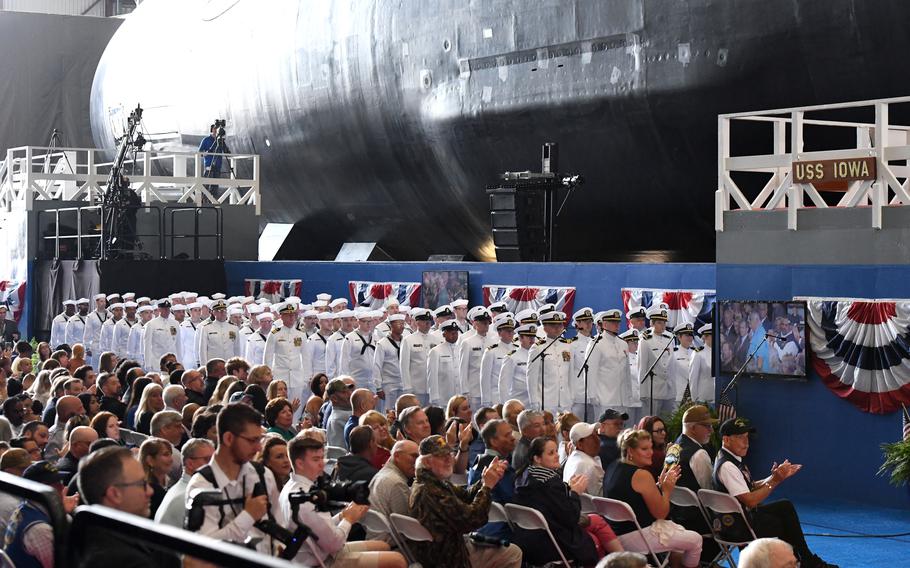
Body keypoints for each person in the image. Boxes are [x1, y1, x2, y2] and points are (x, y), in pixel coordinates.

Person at [713, 418, 836, 568]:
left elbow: (748, 486)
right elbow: (751, 500)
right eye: (740, 437)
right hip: (739, 528)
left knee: (784, 507)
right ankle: (804, 562)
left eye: (747, 437)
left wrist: (773, 477)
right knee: (785, 522)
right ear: (726, 439)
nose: (746, 442)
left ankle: (801, 561)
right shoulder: (728, 466)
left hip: (736, 520)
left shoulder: (727, 458)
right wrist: (776, 481)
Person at [279, 435, 407, 567]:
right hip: (321, 561)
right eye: (315, 459)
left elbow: (320, 527)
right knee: (398, 560)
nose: (322, 464)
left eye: (322, 458)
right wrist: (349, 519)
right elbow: (334, 544)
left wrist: (342, 515)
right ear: (299, 463)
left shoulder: (291, 486)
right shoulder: (306, 498)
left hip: (321, 551)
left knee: (383, 545)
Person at [184, 403, 286, 556]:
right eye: (252, 440)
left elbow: (279, 524)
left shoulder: (263, 474)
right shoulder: (202, 485)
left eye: (259, 440)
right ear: (229, 438)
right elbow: (204, 549)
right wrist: (248, 516)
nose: (259, 448)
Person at [409, 435, 523, 568]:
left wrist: (485, 479)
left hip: (449, 548)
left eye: (449, 454)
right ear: (427, 462)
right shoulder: (430, 492)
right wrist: (487, 486)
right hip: (449, 558)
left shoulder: (430, 482)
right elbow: (473, 519)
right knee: (513, 553)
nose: (448, 460)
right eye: (441, 456)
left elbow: (466, 496)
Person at [513, 436, 622, 565]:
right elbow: (570, 518)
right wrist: (575, 492)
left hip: (529, 539)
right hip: (552, 541)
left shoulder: (524, 476)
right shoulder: (549, 482)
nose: (557, 456)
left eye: (556, 451)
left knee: (597, 520)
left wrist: (568, 487)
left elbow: (549, 503)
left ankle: (623, 562)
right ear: (537, 458)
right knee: (595, 538)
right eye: (551, 453)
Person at [605, 429, 702, 567]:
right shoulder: (641, 475)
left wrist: (659, 486)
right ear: (630, 451)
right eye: (644, 449)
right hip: (635, 536)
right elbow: (661, 513)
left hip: (615, 534)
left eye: (651, 447)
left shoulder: (612, 467)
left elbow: (632, 495)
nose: (651, 452)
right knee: (696, 540)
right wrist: (667, 490)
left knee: (680, 538)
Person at [77, 446, 181, 567]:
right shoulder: (125, 561)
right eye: (142, 484)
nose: (150, 491)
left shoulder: (86, 535)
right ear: (115, 494)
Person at [3, 461, 78, 568]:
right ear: (35, 490)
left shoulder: (25, 506)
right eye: (54, 484)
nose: (61, 487)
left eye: (60, 481)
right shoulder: (39, 529)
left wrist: (61, 511)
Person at [467, 418, 516, 540]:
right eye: (507, 435)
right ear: (493, 441)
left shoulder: (477, 462)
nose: (513, 438)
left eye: (512, 433)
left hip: (478, 529)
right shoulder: (498, 469)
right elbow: (512, 500)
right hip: (501, 532)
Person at [367, 439, 419, 543]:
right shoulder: (396, 482)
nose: (417, 461)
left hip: (378, 540)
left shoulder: (383, 474)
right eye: (414, 456)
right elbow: (409, 529)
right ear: (397, 456)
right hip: (389, 546)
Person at [637, 306, 676, 416]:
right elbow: (642, 367)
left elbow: (672, 367)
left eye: (664, 322)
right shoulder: (645, 340)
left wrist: (674, 389)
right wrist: (643, 392)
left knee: (667, 422)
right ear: (652, 323)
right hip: (653, 390)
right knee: (652, 421)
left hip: (668, 390)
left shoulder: (670, 338)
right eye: (659, 322)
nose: (663, 325)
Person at [399, 308, 438, 406]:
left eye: (429, 322)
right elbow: (404, 366)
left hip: (433, 387)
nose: (428, 324)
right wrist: (407, 387)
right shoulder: (408, 340)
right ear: (417, 322)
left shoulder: (435, 340)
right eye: (425, 322)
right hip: (416, 387)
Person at [479, 313, 516, 406]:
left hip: (515, 396)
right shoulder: (491, 351)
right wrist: (486, 400)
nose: (511, 334)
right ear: (499, 332)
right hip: (496, 397)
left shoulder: (517, 349)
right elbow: (485, 378)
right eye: (508, 331)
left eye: (512, 331)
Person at [563, 421, 605, 496]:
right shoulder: (589, 465)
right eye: (592, 437)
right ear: (580, 444)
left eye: (596, 434)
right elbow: (602, 497)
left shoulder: (572, 458)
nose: (598, 439)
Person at [138, 437, 174, 518]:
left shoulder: (168, 483)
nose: (171, 459)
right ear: (150, 460)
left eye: (170, 454)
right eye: (166, 454)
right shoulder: (151, 491)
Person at [324, 378, 354, 448]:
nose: (350, 394)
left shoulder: (344, 413)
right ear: (334, 398)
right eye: (344, 392)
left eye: (349, 390)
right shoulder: (340, 418)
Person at [689, 324, 714, 403]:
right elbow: (693, 378)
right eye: (712, 335)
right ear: (705, 337)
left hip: (718, 397)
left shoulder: (720, 352)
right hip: (703, 398)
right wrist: (694, 400)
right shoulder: (698, 353)